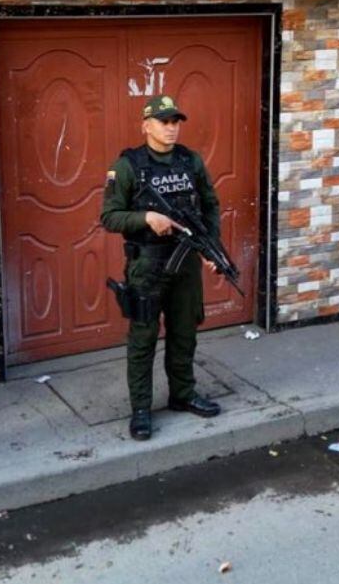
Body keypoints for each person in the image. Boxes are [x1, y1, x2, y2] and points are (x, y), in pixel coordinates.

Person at [100, 95, 223, 441]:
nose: (171, 128)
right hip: (147, 265)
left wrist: (210, 247)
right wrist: (145, 217)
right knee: (143, 338)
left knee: (185, 332)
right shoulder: (128, 165)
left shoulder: (190, 161)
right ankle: (141, 409)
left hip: (185, 264)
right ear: (146, 125)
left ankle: (183, 395)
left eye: (175, 121)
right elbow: (108, 217)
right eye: (164, 121)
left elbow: (211, 206)